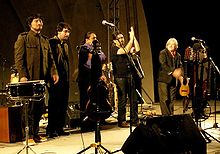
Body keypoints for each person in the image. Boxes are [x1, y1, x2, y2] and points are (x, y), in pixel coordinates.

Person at [14, 13, 59, 144]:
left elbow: (50, 58)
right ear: (30, 23)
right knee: (29, 108)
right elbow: (19, 58)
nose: (39, 23)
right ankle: (27, 136)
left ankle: (35, 134)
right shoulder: (23, 38)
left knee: (39, 107)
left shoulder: (44, 40)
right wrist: (22, 75)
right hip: (29, 78)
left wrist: (54, 72)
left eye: (41, 21)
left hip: (41, 79)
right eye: (36, 21)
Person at [111, 26, 140, 128]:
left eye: (123, 37)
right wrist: (131, 39)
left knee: (133, 99)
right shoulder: (114, 49)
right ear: (115, 41)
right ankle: (121, 120)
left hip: (129, 76)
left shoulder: (124, 48)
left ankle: (134, 120)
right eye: (119, 38)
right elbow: (127, 50)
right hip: (120, 77)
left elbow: (137, 48)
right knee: (123, 100)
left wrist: (133, 36)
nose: (122, 39)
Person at [77, 31, 107, 132]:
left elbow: (102, 57)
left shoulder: (95, 50)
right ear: (87, 39)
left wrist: (101, 74)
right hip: (86, 79)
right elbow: (88, 64)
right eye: (93, 38)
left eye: (96, 38)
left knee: (95, 100)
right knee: (86, 101)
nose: (95, 40)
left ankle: (94, 122)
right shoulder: (83, 49)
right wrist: (93, 54)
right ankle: (85, 124)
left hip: (95, 78)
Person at [46, 22, 71, 138]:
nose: (67, 34)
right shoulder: (52, 43)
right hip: (55, 77)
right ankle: (51, 129)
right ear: (58, 31)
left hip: (64, 77)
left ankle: (59, 127)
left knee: (63, 103)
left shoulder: (64, 45)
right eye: (65, 31)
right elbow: (51, 61)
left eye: (68, 32)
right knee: (54, 103)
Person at [157, 38, 183, 116]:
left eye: (174, 45)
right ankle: (166, 117)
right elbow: (163, 64)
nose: (172, 46)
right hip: (163, 79)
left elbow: (180, 66)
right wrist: (173, 72)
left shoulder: (178, 55)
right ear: (167, 46)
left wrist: (181, 75)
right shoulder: (163, 53)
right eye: (170, 45)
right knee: (164, 99)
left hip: (173, 80)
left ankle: (171, 116)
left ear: (177, 46)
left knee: (172, 100)